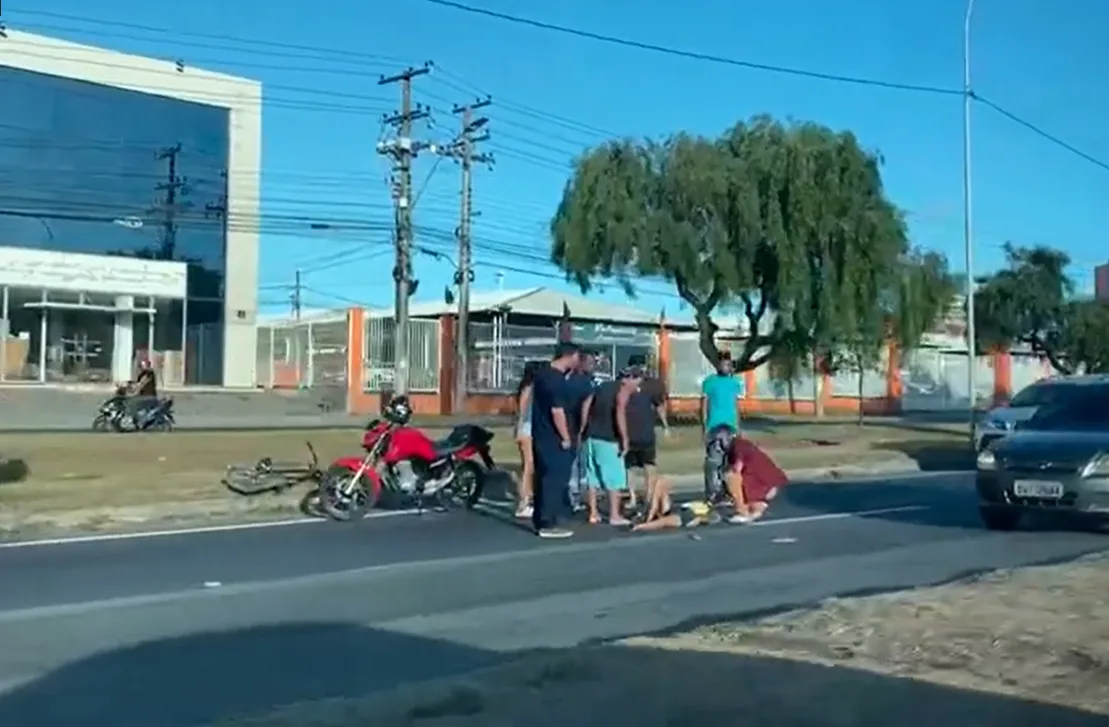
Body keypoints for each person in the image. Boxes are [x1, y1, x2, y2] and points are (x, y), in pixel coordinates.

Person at [632, 434, 788, 532]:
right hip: (693, 510)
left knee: (662, 483)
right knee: (662, 485)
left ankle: (648, 514)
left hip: (686, 512)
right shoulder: (686, 517)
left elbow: (662, 523)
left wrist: (645, 524)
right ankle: (649, 513)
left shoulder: (684, 517)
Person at [530, 341, 582, 538]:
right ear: (569, 356)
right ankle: (548, 522)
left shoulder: (543, 375)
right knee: (555, 477)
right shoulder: (555, 380)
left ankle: (541, 517)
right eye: (577, 356)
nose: (578, 360)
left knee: (543, 477)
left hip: (540, 433)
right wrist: (566, 437)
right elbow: (557, 411)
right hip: (553, 437)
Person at [579, 366, 638, 525]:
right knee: (614, 477)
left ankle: (593, 513)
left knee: (593, 476)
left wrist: (583, 428)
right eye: (637, 381)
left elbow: (586, 405)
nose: (637, 386)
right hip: (608, 438)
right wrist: (624, 438)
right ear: (629, 379)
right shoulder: (622, 390)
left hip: (591, 436)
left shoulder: (602, 387)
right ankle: (614, 515)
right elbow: (619, 411)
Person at [623, 355, 668, 513]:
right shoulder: (624, 383)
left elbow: (659, 406)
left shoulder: (653, 385)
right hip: (629, 431)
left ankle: (648, 496)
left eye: (640, 365)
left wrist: (665, 425)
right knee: (629, 467)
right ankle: (633, 497)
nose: (639, 368)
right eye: (636, 365)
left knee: (648, 465)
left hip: (645, 431)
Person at [700, 352, 744, 499]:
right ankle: (713, 492)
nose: (726, 366)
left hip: (730, 426)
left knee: (730, 462)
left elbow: (736, 406)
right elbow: (704, 405)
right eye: (723, 364)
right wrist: (705, 426)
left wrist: (738, 427)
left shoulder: (735, 383)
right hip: (715, 426)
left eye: (728, 364)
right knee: (714, 462)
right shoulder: (710, 382)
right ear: (718, 365)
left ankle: (729, 491)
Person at [564, 349, 598, 511]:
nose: (593, 366)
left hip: (568, 426)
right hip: (579, 430)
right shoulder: (586, 384)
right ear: (582, 363)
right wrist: (582, 430)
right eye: (590, 363)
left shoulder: (567, 381)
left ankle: (572, 497)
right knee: (579, 466)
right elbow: (585, 409)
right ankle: (575, 499)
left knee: (572, 464)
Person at [512, 361, 542, 519]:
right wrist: (519, 428)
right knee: (528, 466)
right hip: (526, 429)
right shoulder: (529, 387)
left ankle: (527, 499)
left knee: (529, 466)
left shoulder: (528, 387)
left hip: (527, 428)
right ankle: (523, 503)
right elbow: (522, 410)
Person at [125, 358, 159, 428]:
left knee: (132, 404)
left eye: (144, 365)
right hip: (145, 396)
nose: (142, 367)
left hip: (149, 396)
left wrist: (133, 393)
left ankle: (139, 422)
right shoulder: (144, 374)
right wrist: (129, 387)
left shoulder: (148, 373)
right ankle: (139, 420)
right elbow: (138, 384)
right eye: (142, 365)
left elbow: (141, 384)